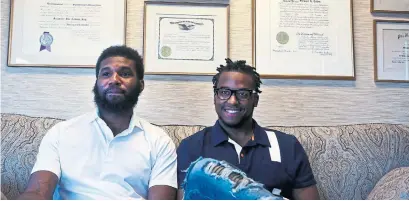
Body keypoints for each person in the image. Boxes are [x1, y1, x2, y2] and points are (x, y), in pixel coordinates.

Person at [18, 45, 177, 200]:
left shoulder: (159, 141)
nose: (114, 80)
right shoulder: (61, 133)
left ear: (141, 85)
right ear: (96, 82)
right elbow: (38, 192)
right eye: (106, 73)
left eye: (125, 73)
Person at [176, 59, 319, 200]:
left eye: (243, 93)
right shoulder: (191, 146)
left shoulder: (287, 145)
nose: (232, 101)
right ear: (215, 97)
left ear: (255, 100)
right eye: (224, 92)